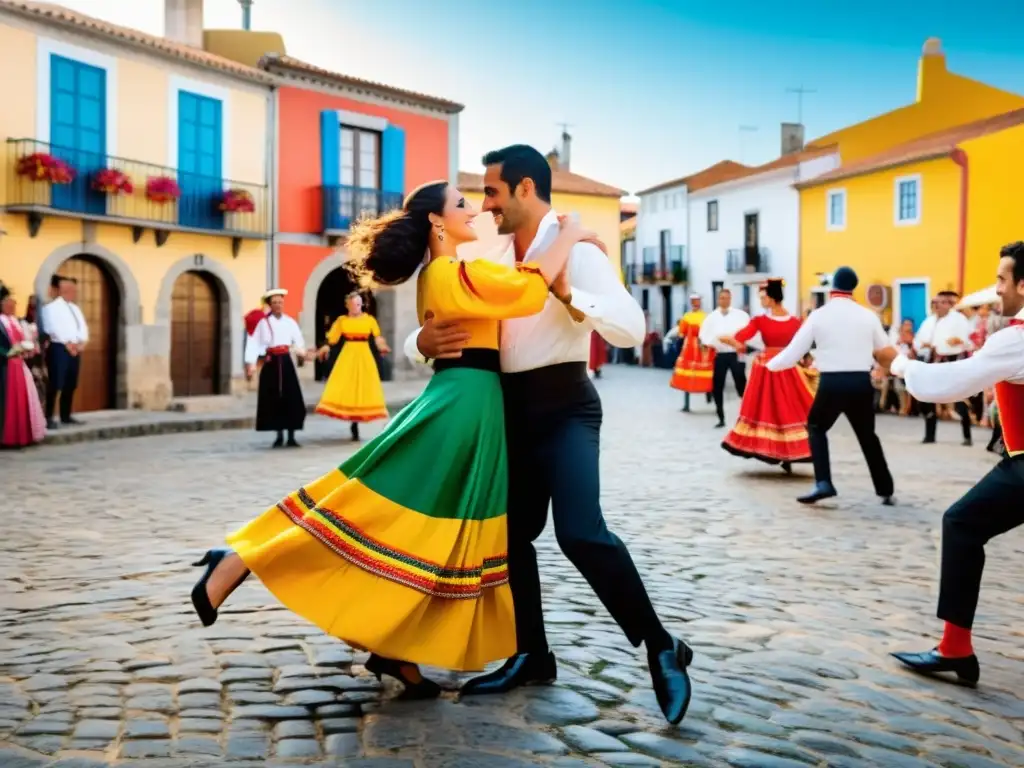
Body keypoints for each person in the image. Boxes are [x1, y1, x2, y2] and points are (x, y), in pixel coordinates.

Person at [188, 179, 590, 697]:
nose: (474, 211)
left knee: (431, 529)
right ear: (437, 222)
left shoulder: (451, 271)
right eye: (462, 205)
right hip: (463, 404)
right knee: (376, 503)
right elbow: (528, 289)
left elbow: (514, 285)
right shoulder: (450, 270)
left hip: (469, 399)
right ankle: (243, 558)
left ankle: (397, 652)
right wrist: (572, 232)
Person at [405, 145, 693, 725]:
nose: (484, 206)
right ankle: (532, 654)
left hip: (567, 408)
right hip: (508, 412)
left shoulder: (577, 252)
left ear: (526, 190)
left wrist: (570, 296)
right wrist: (419, 344)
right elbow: (441, 312)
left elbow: (633, 327)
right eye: (480, 194)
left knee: (582, 533)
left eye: (491, 192)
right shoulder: (489, 254)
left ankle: (662, 646)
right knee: (511, 535)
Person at [878, 241, 1024, 687]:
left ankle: (956, 648)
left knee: (961, 523)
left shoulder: (1015, 338)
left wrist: (898, 362)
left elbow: (947, 383)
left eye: (1002, 279)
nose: (997, 289)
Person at [765, 267, 895, 505]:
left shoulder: (819, 315)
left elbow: (795, 351)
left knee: (816, 427)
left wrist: (770, 366)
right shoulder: (868, 316)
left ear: (832, 287)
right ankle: (885, 488)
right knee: (867, 436)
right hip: (860, 382)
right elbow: (886, 350)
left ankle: (823, 482)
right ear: (853, 287)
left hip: (832, 382)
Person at [720, 279, 816, 472]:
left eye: (763, 298)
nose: (762, 301)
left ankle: (774, 451)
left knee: (768, 409)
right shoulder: (796, 322)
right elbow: (804, 346)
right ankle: (789, 453)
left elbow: (740, 337)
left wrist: (730, 341)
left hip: (768, 369)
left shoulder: (761, 321)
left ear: (771, 299)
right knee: (789, 409)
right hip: (790, 368)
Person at [315, 291, 390, 441]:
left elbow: (377, 337)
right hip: (348, 355)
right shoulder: (342, 321)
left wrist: (382, 347)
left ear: (361, 304)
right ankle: (353, 422)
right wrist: (324, 348)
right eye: (352, 304)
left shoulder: (369, 320)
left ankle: (359, 418)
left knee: (364, 386)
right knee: (346, 385)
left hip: (364, 355)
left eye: (358, 304)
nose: (355, 307)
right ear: (347, 306)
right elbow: (332, 339)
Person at [244, 289, 311, 448]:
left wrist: (302, 353)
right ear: (270, 305)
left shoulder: (290, 322)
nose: (278, 305)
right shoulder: (263, 323)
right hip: (271, 362)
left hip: (286, 362)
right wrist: (251, 363)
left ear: (283, 303)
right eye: (274, 303)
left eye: (280, 302)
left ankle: (292, 436)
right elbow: (254, 342)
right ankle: (279, 435)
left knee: (291, 397)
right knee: (274, 398)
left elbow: (298, 341)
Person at [913, 291, 974, 446]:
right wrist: (923, 345)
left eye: (940, 302)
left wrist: (957, 341)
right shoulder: (929, 321)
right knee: (929, 397)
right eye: (935, 303)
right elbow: (918, 341)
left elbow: (967, 340)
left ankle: (967, 435)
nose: (937, 305)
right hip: (932, 361)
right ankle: (929, 434)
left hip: (952, 361)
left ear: (948, 304)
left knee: (959, 397)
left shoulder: (958, 320)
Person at [0, 286, 47, 448]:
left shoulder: (16, 321)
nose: (12, 307)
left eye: (13, 304)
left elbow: (25, 339)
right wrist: (7, 352)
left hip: (19, 364)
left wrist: (27, 347)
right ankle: (7, 438)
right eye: (8, 304)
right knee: (7, 402)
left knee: (22, 400)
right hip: (6, 365)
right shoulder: (1, 322)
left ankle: (23, 436)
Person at [41, 276, 87, 429]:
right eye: (69, 289)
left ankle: (65, 415)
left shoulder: (75, 308)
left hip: (75, 349)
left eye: (74, 290)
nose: (72, 292)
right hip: (59, 348)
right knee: (55, 382)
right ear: (61, 290)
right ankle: (48, 417)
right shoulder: (50, 308)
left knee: (70, 383)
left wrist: (81, 342)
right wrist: (67, 343)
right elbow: (51, 328)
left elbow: (82, 327)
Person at [698, 288, 749, 428]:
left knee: (741, 383)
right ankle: (720, 416)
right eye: (721, 298)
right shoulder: (711, 317)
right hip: (720, 354)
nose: (724, 300)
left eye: (726, 298)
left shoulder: (740, 315)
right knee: (717, 385)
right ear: (718, 299)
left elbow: (747, 332)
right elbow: (704, 336)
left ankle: (746, 416)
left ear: (730, 299)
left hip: (736, 353)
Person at [670, 294, 714, 412]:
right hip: (696, 348)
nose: (695, 303)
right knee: (692, 374)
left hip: (695, 348)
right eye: (694, 301)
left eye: (696, 301)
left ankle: (707, 394)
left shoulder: (698, 317)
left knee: (697, 373)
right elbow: (681, 333)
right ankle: (690, 402)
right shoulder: (693, 317)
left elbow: (681, 334)